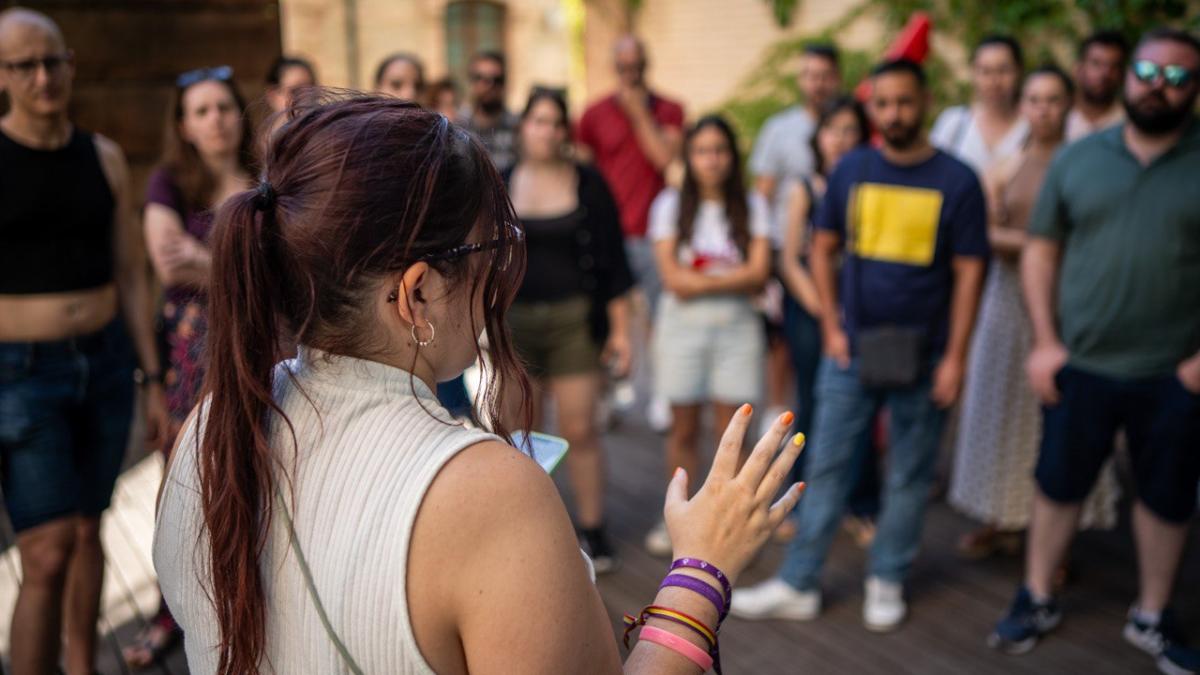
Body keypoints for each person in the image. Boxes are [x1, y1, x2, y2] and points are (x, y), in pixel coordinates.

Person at [153, 94, 808, 674]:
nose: (500, 274)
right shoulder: (488, 492)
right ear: (416, 293)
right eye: (487, 249)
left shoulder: (209, 431)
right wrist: (701, 570)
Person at [732, 59, 989, 633]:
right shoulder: (852, 169)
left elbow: (971, 272)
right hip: (850, 352)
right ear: (872, 107)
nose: (894, 113)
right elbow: (820, 248)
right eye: (884, 103)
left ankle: (887, 578)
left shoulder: (959, 180)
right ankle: (799, 583)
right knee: (826, 462)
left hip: (926, 353)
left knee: (909, 472)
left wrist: (956, 357)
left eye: (905, 102)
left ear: (924, 100)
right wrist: (830, 327)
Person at [990, 29, 1200, 673]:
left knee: (1165, 496)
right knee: (1058, 485)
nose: (1156, 85)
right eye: (1145, 69)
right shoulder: (1079, 160)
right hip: (1079, 363)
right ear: (1126, 76)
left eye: (1176, 76)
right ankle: (1038, 595)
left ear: (1194, 89)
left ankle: (1151, 614)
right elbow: (1041, 249)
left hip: (1175, 372)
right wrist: (1046, 342)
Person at [0, 9, 168, 675]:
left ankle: (82, 664)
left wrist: (152, 375)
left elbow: (129, 269)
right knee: (44, 550)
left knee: (89, 527)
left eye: (54, 61)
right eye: (25, 65)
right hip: (20, 372)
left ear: (70, 63)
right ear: (4, 76)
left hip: (102, 362)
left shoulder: (101, 156)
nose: (44, 76)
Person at [949, 66, 1119, 562]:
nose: (1043, 109)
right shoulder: (1006, 164)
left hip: (1068, 300)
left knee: (1059, 417)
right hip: (1007, 302)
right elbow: (981, 232)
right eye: (1035, 99)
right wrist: (1039, 244)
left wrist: (1040, 248)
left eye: (1053, 99)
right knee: (1001, 411)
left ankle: (1057, 543)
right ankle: (1001, 516)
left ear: (1068, 105)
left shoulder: (1089, 164)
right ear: (1024, 106)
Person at [124, 65, 256, 669]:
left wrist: (211, 260)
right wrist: (245, 267)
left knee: (252, 467)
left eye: (225, 107)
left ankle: (242, 604)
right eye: (201, 111)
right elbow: (168, 262)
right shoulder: (168, 181)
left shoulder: (264, 179)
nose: (217, 120)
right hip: (190, 353)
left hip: (259, 345)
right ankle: (169, 606)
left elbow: (289, 268)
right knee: (183, 477)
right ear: (183, 124)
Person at [502, 88, 634, 573]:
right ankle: (530, 530)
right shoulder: (502, 180)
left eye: (557, 122)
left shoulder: (588, 181)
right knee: (521, 432)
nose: (548, 130)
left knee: (580, 428)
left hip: (575, 320)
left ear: (566, 131)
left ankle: (594, 532)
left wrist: (620, 332)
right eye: (538, 120)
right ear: (524, 127)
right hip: (514, 324)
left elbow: (615, 262)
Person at [641, 115, 773, 556]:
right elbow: (674, 281)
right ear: (689, 157)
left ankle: (728, 530)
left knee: (732, 431)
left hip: (738, 327)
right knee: (683, 427)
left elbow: (761, 273)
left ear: (732, 156)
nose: (711, 160)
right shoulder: (669, 205)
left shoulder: (752, 204)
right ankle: (679, 520)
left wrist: (705, 279)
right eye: (701, 151)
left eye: (719, 150)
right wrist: (733, 276)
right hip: (682, 329)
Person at [777, 96, 878, 545]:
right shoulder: (805, 186)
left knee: (861, 402)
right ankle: (800, 500)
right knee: (812, 402)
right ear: (819, 138)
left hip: (862, 309)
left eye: (850, 130)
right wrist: (824, 309)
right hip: (812, 309)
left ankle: (860, 504)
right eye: (833, 129)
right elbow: (789, 258)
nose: (841, 139)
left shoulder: (872, 183)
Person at [577, 35, 684, 432]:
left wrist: (639, 113)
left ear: (646, 65)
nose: (630, 74)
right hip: (608, 233)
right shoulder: (593, 115)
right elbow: (584, 173)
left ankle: (662, 394)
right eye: (623, 67)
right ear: (614, 68)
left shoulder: (669, 110)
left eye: (636, 66)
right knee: (608, 320)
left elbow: (664, 157)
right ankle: (614, 393)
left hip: (653, 232)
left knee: (659, 316)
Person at [749, 44, 843, 442]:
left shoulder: (849, 122)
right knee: (783, 340)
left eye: (824, 75)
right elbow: (763, 194)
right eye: (810, 74)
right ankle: (779, 411)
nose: (817, 83)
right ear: (800, 79)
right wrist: (765, 257)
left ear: (835, 78)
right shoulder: (780, 129)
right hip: (786, 254)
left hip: (836, 255)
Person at [932, 35, 1029, 174]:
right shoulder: (953, 123)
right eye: (986, 71)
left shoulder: (1033, 127)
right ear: (973, 73)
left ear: (1019, 71)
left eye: (1003, 70)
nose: (994, 81)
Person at [458, 50, 518, 173]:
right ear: (471, 82)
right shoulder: (457, 128)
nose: (490, 86)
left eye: (497, 80)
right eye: (482, 79)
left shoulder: (518, 128)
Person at [1066, 30, 1129, 141]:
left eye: (1113, 66)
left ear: (1123, 74)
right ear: (1078, 69)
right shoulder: (1059, 117)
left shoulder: (1130, 124)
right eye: (1096, 64)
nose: (1105, 74)